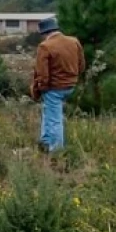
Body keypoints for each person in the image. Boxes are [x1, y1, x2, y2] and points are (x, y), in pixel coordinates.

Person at [30, 17, 85, 152]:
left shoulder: (45, 46)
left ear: (44, 33)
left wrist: (40, 89)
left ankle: (56, 150)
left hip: (54, 88)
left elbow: (42, 73)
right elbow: (81, 65)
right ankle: (45, 142)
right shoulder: (74, 41)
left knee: (54, 119)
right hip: (70, 85)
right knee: (48, 113)